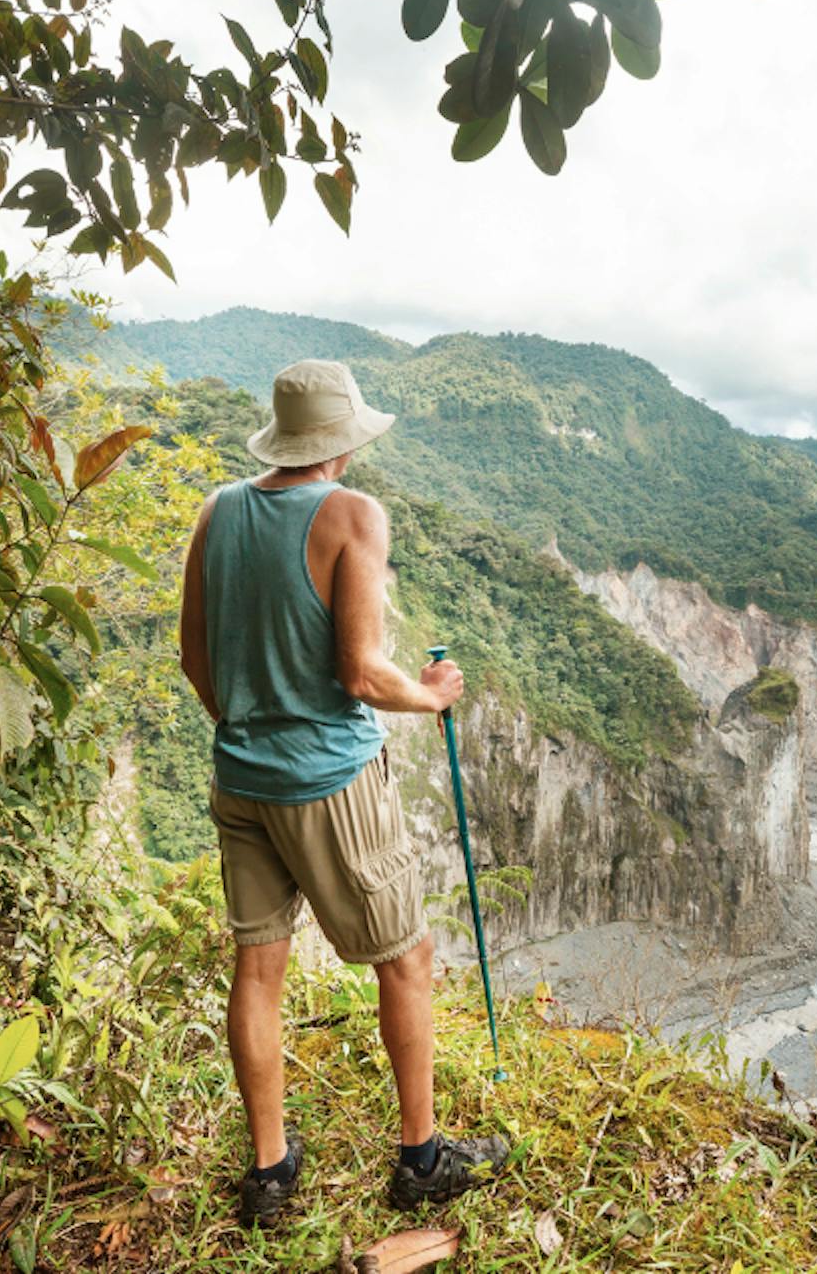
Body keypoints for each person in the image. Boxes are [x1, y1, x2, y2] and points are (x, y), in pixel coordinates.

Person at [177, 359, 511, 1228]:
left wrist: (250, 724)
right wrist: (432, 695)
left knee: (258, 965)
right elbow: (361, 672)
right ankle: (422, 1158)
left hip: (239, 775)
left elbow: (194, 660)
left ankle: (270, 1172)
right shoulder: (352, 515)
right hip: (328, 783)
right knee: (404, 958)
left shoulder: (217, 512)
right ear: (343, 441)